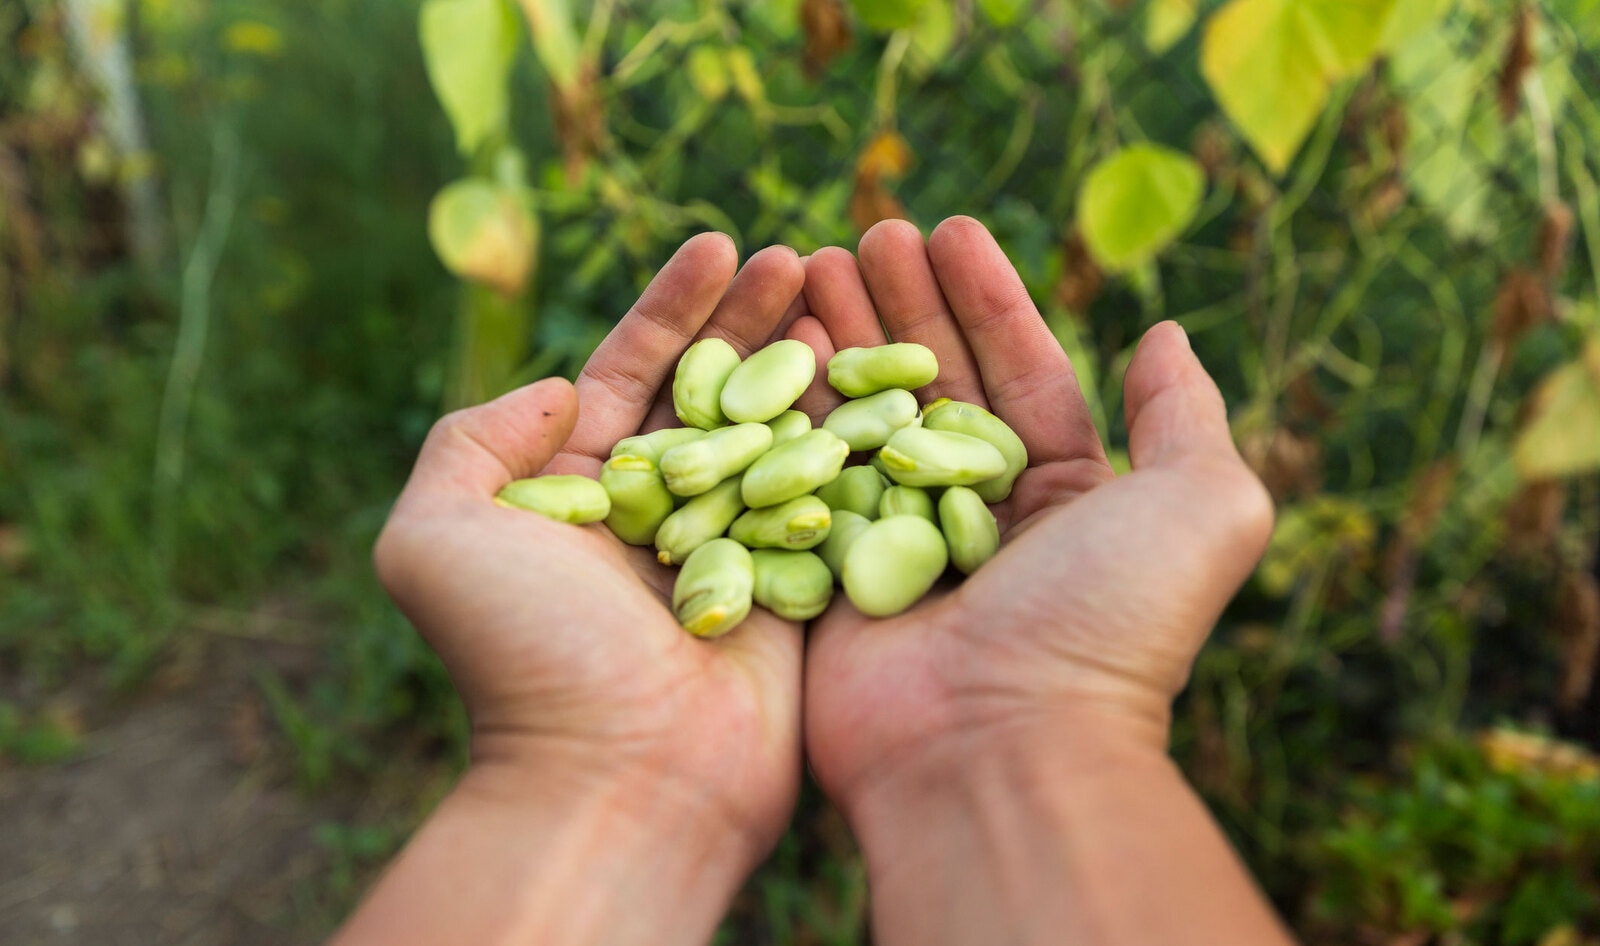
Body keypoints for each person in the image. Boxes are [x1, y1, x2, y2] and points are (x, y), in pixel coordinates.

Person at [330, 216, 1296, 946]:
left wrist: (590, 772)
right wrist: (1044, 729)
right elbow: (783, 464)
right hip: (754, 508)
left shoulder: (810, 473)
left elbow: (812, 465)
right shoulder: (773, 476)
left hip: (760, 504)